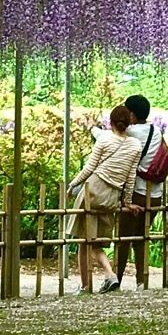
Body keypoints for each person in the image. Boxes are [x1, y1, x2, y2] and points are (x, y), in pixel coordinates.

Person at [68, 105, 141, 293]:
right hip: (112, 195)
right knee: (96, 241)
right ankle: (109, 275)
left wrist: (72, 185)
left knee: (84, 240)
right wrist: (126, 201)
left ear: (111, 122)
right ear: (129, 123)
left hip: (93, 189)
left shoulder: (104, 139)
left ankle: (86, 285)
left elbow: (89, 168)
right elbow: (131, 176)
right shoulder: (135, 145)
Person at [111, 93, 166, 288]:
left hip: (137, 193)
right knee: (142, 237)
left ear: (132, 114)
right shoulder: (157, 132)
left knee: (124, 237)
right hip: (156, 194)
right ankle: (142, 281)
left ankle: (114, 279)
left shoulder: (131, 133)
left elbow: (107, 140)